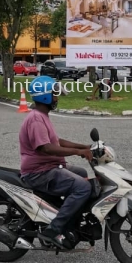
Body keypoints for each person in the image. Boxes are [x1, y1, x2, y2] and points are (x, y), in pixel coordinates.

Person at [20, 76, 94, 249]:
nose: (57, 97)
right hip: (39, 172)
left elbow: (57, 141)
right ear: (44, 96)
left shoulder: (42, 116)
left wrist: (85, 147)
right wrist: (78, 152)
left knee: (82, 174)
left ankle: (64, 216)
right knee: (83, 187)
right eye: (54, 94)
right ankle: (53, 229)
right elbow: (46, 148)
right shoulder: (36, 119)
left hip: (48, 167)